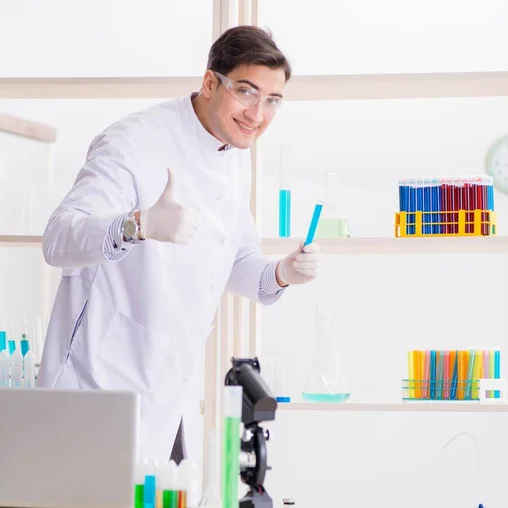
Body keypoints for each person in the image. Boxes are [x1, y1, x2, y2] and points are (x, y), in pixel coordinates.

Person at [36, 25, 322, 463]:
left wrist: (282, 272)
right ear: (210, 82)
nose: (258, 114)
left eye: (272, 101)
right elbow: (59, 238)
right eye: (247, 92)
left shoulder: (234, 153)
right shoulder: (133, 142)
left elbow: (234, 259)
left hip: (169, 396)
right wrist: (138, 225)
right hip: (95, 385)